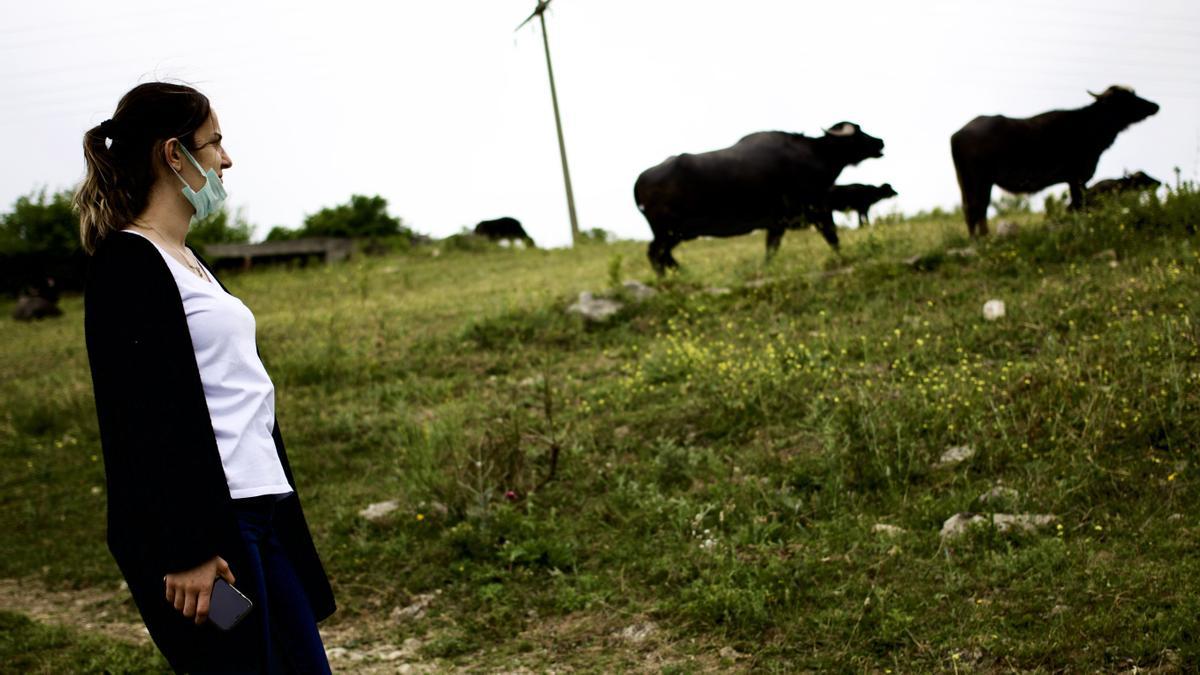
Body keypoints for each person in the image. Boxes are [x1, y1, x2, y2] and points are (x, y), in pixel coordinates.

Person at [77, 82, 335, 673]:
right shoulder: (128, 263)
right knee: (238, 666)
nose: (226, 158)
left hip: (261, 518)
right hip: (214, 535)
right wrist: (186, 548)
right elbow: (139, 417)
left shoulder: (189, 262)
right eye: (214, 142)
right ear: (174, 155)